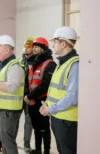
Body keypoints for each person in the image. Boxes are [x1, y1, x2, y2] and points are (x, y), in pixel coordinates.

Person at [40, 26, 79, 154]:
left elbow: (72, 97)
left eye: (55, 41)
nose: (53, 44)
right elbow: (55, 91)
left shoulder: (75, 65)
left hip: (67, 122)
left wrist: (50, 109)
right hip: (58, 118)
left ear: (63, 43)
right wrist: (47, 106)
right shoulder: (61, 64)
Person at [24, 37, 56, 154]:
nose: (34, 48)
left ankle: (46, 150)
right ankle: (38, 149)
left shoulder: (50, 64)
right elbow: (27, 81)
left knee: (44, 128)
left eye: (37, 46)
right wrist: (27, 96)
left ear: (43, 49)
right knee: (36, 128)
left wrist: (29, 96)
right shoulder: (32, 63)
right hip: (32, 101)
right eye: (33, 46)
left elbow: (45, 85)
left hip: (42, 101)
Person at [18, 37, 35, 153]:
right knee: (14, 119)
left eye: (28, 47)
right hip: (19, 95)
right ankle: (11, 142)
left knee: (29, 121)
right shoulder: (19, 61)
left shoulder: (36, 61)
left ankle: (26, 143)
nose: (26, 49)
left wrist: (30, 95)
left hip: (30, 96)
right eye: (25, 46)